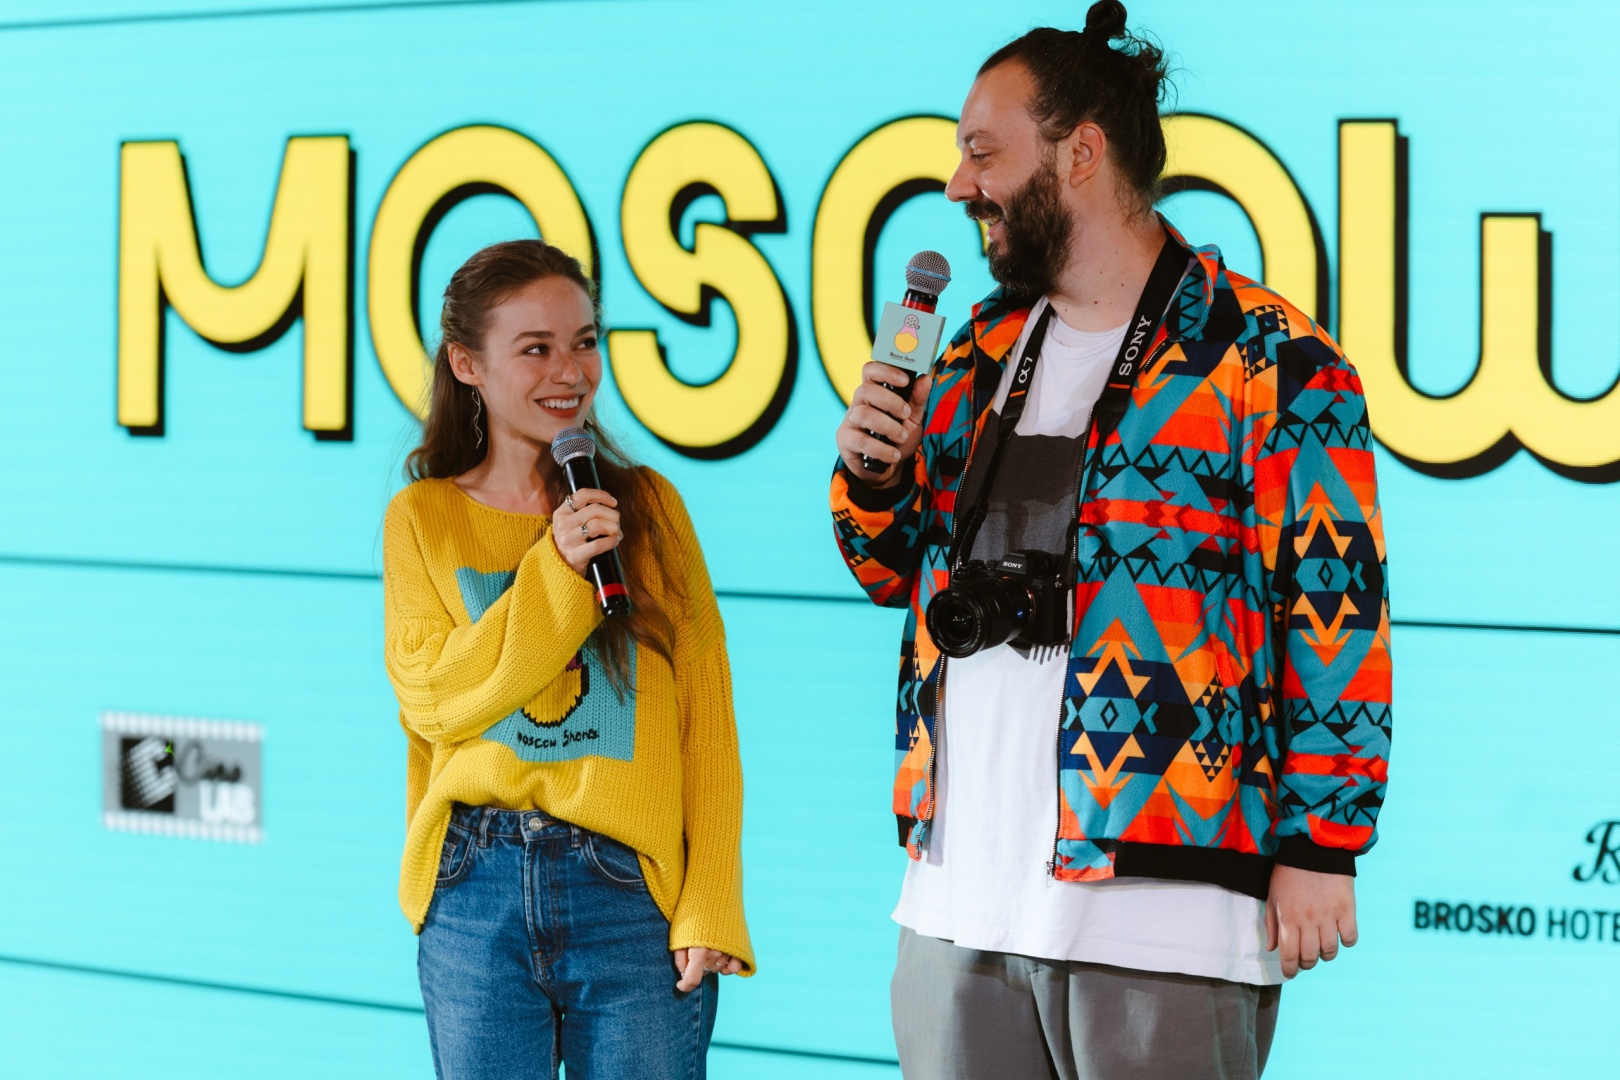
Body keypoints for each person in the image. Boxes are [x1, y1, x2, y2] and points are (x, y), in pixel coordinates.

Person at [830, 3, 1392, 1077]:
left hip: (1166, 904)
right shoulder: (974, 351)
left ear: (1079, 152)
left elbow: (1334, 608)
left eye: (983, 153)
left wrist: (1325, 841)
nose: (957, 186)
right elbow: (889, 569)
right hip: (958, 898)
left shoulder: (1268, 357)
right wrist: (873, 477)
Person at [382, 240, 751, 1080]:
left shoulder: (646, 508)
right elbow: (433, 699)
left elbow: (705, 712)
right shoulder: (424, 519)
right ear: (468, 365)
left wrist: (712, 899)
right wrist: (556, 571)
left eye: (584, 342)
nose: (570, 371)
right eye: (536, 348)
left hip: (628, 890)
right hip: (475, 887)